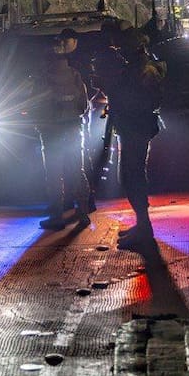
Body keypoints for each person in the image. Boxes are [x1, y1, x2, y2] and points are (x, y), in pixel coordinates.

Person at [96, 31, 166, 249]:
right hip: (132, 126)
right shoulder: (137, 69)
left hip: (136, 127)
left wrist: (116, 94)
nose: (120, 53)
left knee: (132, 175)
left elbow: (145, 100)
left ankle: (144, 228)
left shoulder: (144, 71)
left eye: (123, 49)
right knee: (131, 175)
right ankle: (142, 226)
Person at [34, 32, 94, 230]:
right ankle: (83, 213)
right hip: (73, 129)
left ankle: (57, 216)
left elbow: (36, 106)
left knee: (53, 174)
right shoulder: (75, 76)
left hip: (51, 132)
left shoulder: (42, 78)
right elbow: (84, 105)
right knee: (77, 171)